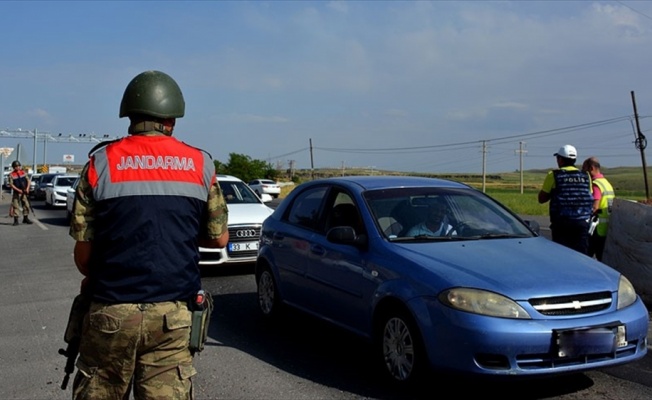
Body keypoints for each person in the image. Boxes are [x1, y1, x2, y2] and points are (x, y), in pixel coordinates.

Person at [68, 70, 229, 399]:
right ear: (171, 118)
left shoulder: (100, 163)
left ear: (129, 114)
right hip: (172, 318)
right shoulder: (200, 164)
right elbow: (218, 239)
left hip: (111, 314)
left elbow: (84, 258)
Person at [538, 144, 593, 254]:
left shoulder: (554, 175)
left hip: (561, 224)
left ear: (561, 160)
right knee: (581, 255)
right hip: (582, 223)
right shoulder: (585, 175)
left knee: (561, 255)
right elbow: (589, 195)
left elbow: (542, 198)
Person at [582, 156, 615, 261]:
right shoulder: (606, 183)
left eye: (584, 170)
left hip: (597, 228)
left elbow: (595, 206)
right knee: (603, 259)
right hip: (607, 227)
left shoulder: (596, 184)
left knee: (586, 257)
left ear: (591, 168)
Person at [8, 160, 33, 226]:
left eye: (19, 166)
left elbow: (28, 181)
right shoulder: (11, 175)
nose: (18, 167)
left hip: (24, 192)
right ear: (13, 167)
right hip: (17, 193)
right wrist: (18, 190)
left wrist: (27, 189)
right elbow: (11, 185)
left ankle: (25, 218)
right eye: (16, 166)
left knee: (26, 205)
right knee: (16, 206)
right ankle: (16, 220)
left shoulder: (23, 172)